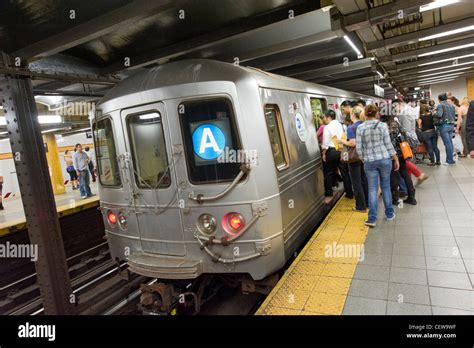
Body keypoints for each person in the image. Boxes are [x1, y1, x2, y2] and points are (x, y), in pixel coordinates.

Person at [356, 105, 399, 227]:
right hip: (385, 159)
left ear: (365, 113)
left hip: (370, 161)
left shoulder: (360, 127)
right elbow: (388, 143)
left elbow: (359, 148)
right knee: (386, 187)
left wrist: (365, 159)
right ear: (376, 113)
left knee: (373, 189)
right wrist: (395, 157)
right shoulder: (382, 125)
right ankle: (390, 214)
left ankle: (372, 219)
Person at [338, 106, 368, 212]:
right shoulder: (365, 125)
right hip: (365, 156)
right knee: (364, 179)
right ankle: (367, 203)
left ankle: (360, 206)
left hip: (354, 157)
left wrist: (342, 142)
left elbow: (353, 143)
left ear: (353, 115)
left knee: (356, 182)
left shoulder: (351, 127)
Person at [321, 109, 353, 204]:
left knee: (328, 172)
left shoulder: (327, 127)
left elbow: (325, 143)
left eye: (325, 118)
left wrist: (323, 153)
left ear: (328, 117)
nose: (324, 119)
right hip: (341, 150)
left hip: (332, 151)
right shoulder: (340, 125)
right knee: (344, 172)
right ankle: (349, 193)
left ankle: (329, 194)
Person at [385, 115, 417, 206]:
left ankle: (395, 199)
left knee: (393, 175)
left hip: (392, 153)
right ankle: (412, 197)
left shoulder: (386, 125)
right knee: (405, 173)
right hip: (401, 152)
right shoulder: (397, 122)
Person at [436, 93, 457, 165]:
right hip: (451, 125)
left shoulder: (440, 105)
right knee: (450, 143)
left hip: (444, 126)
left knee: (447, 144)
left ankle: (449, 160)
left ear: (439, 99)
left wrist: (433, 113)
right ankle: (452, 159)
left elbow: (439, 114)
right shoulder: (451, 105)